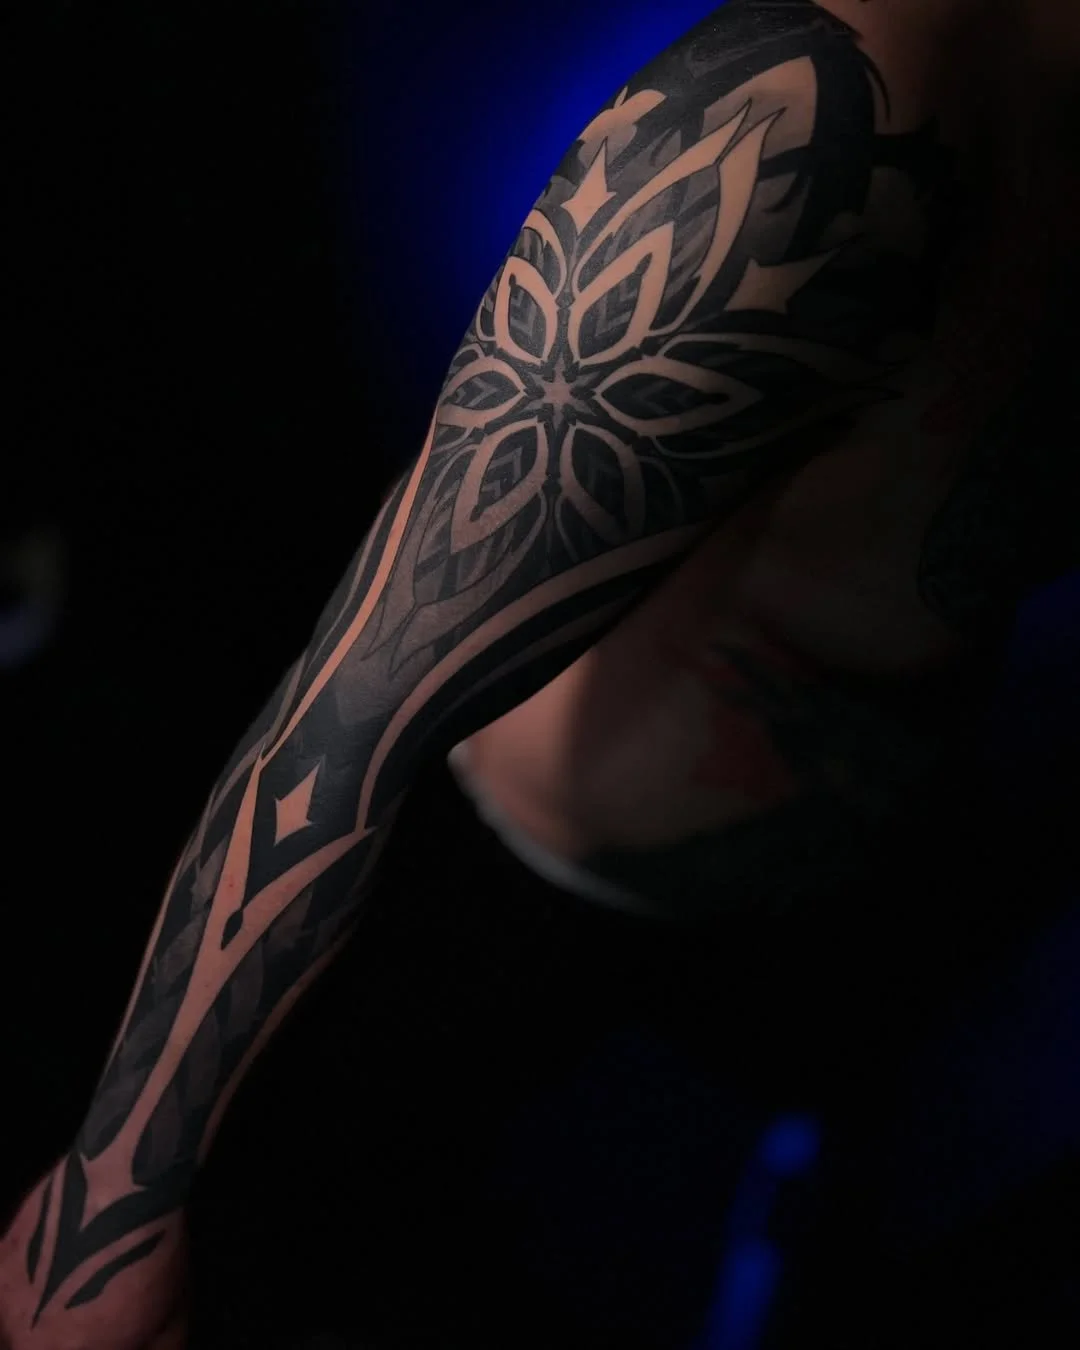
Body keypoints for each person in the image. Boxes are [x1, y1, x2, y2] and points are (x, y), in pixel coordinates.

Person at [2, 0, 1079, 1345]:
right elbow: (347, 720)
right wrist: (113, 1214)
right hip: (501, 909)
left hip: (839, 908)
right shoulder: (823, 123)